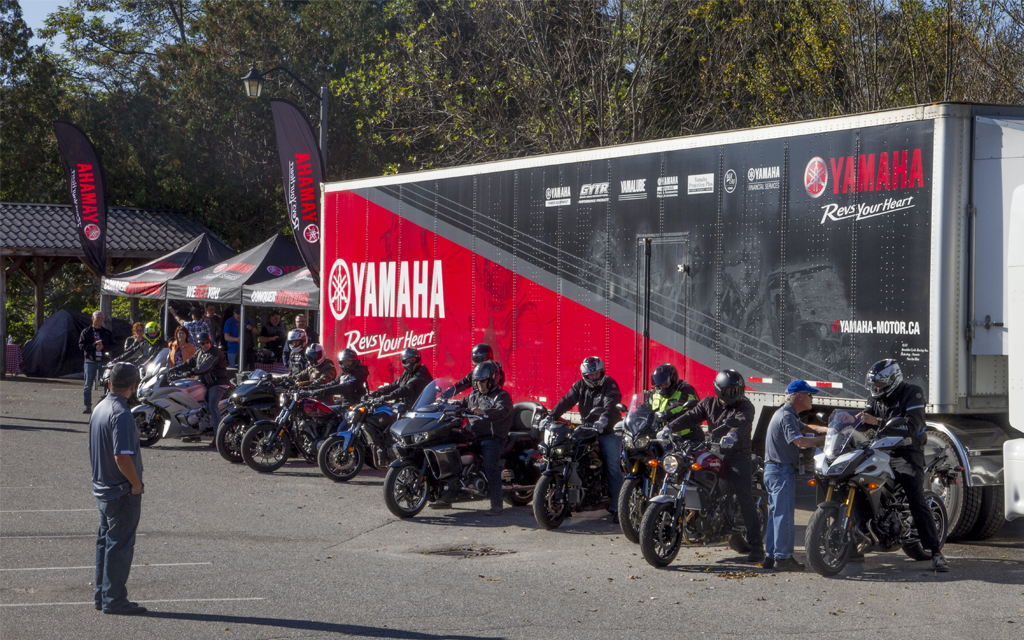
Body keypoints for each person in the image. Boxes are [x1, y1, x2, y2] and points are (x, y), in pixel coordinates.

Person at [858, 359, 948, 572]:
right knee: (854, 479)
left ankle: (936, 553)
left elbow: (912, 425)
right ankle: (854, 542)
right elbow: (866, 419)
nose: (875, 389)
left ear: (892, 380)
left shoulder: (913, 393)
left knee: (914, 494)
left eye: (879, 385)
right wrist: (852, 422)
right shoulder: (875, 396)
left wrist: (877, 422)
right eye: (873, 386)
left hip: (906, 452)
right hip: (879, 449)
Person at [665, 369, 764, 562]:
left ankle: (757, 548)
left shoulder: (745, 406)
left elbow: (742, 424)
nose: (735, 394)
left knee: (744, 498)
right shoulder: (708, 403)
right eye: (730, 390)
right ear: (719, 390)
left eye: (738, 390)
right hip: (714, 452)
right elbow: (691, 416)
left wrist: (732, 436)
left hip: (737, 456)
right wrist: (669, 427)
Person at [89, 362, 147, 615]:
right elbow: (121, 457)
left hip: (103, 487)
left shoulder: (100, 407)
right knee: (120, 545)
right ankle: (114, 598)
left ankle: (103, 595)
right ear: (133, 386)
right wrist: (136, 484)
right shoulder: (121, 414)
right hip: (120, 489)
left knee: (106, 543)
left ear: (110, 382)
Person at [547, 356, 623, 523]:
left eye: (596, 374)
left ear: (602, 372)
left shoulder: (609, 383)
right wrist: (550, 417)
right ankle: (567, 501)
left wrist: (603, 420)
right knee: (567, 455)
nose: (594, 377)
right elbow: (566, 400)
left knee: (613, 466)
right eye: (590, 375)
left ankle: (619, 508)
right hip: (586, 429)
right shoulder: (579, 386)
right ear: (584, 375)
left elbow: (611, 403)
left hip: (608, 430)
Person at [763, 380, 827, 571]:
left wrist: (832, 430)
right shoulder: (786, 416)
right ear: (799, 396)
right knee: (784, 514)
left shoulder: (787, 413)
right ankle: (783, 559)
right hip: (781, 470)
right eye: (809, 394)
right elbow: (799, 442)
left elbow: (807, 428)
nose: (812, 398)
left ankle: (771, 556)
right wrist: (825, 440)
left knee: (776, 514)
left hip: (774, 470)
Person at [431, 361, 511, 514]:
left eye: (483, 381)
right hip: (472, 436)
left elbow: (503, 411)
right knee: (449, 455)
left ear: (491, 379)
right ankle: (446, 496)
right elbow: (460, 405)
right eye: (478, 381)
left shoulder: (501, 396)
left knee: (490, 466)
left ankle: (497, 504)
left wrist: (485, 413)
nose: (480, 384)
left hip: (492, 438)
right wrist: (442, 405)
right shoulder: (473, 396)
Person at [167, 332, 229, 432]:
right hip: (203, 384)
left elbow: (205, 367)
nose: (206, 345)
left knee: (212, 405)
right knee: (190, 403)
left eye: (208, 342)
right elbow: (189, 363)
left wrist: (188, 373)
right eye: (203, 343)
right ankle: (193, 432)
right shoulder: (199, 352)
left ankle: (218, 434)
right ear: (199, 344)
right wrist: (174, 369)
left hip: (217, 384)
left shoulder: (215, 352)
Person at [363, 347, 433, 406]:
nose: (410, 363)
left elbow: (408, 388)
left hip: (420, 410)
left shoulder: (422, 372)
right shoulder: (407, 372)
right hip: (409, 408)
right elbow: (395, 385)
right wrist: (375, 394)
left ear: (417, 359)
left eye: (412, 360)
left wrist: (388, 397)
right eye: (408, 361)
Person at [79, 310, 114, 414]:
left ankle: (104, 406)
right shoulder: (86, 332)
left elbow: (114, 345)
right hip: (90, 361)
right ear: (92, 318)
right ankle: (87, 406)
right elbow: (81, 346)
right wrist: (94, 345)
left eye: (101, 318)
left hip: (103, 361)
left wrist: (104, 347)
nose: (100, 320)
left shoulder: (106, 332)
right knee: (87, 385)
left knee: (105, 384)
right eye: (98, 317)